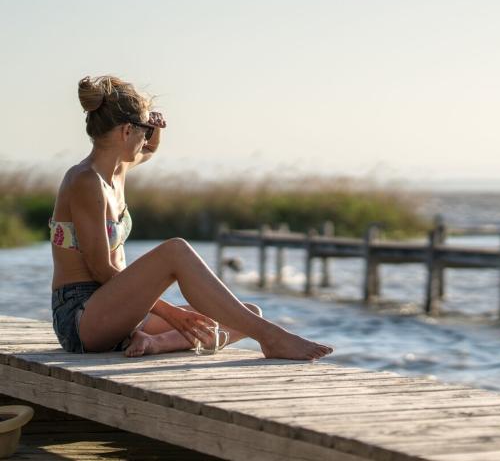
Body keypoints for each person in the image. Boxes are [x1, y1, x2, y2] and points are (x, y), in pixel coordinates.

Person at [49, 75, 334, 360]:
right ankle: (272, 337)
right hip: (82, 318)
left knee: (246, 314)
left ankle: (154, 343)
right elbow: (102, 271)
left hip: (121, 316)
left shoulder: (117, 171)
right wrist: (172, 314)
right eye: (143, 132)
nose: (146, 139)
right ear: (126, 131)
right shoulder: (85, 180)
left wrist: (154, 129)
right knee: (175, 251)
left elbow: (148, 150)